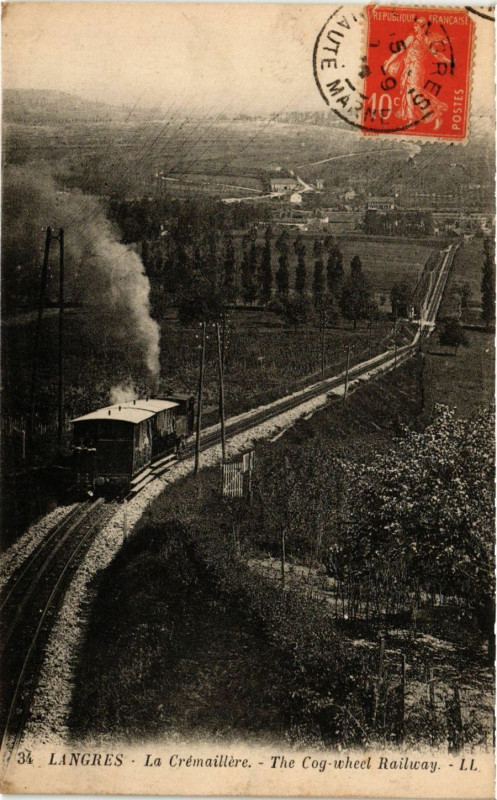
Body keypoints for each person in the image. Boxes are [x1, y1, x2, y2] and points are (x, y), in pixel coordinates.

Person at [383, 18, 452, 130]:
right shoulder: (412, 38)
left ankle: (436, 111)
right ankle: (411, 121)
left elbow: (437, 55)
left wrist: (450, 62)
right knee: (407, 92)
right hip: (407, 68)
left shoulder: (427, 41)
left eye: (416, 26)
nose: (414, 28)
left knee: (415, 92)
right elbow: (399, 51)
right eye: (414, 25)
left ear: (422, 27)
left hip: (416, 68)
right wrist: (388, 63)